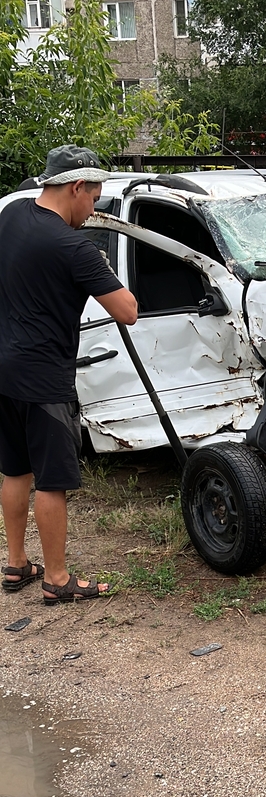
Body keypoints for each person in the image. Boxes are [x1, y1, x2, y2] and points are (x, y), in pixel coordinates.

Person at [0, 144, 138, 604]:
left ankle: (16, 563)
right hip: (44, 377)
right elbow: (128, 311)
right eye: (93, 198)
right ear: (77, 187)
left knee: (15, 469)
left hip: (5, 366)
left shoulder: (11, 215)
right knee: (52, 479)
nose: (93, 210)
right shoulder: (74, 247)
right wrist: (100, 266)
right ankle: (57, 580)